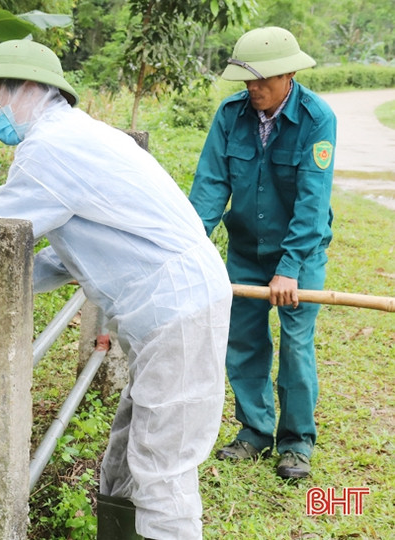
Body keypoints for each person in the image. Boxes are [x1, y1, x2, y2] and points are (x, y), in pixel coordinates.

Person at [0, 39, 232, 539]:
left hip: (176, 312)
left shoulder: (50, 152)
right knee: (126, 455)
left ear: (30, 88)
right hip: (165, 309)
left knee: (161, 472)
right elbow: (45, 258)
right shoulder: (77, 136)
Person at [189, 26, 336, 480]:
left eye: (263, 80)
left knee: (295, 344)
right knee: (244, 340)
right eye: (247, 81)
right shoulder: (231, 115)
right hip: (247, 251)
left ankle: (295, 442)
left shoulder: (317, 119)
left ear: (288, 73)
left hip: (300, 255)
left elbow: (312, 204)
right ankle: (254, 430)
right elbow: (211, 186)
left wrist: (290, 268)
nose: (253, 88)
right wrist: (189, 246)